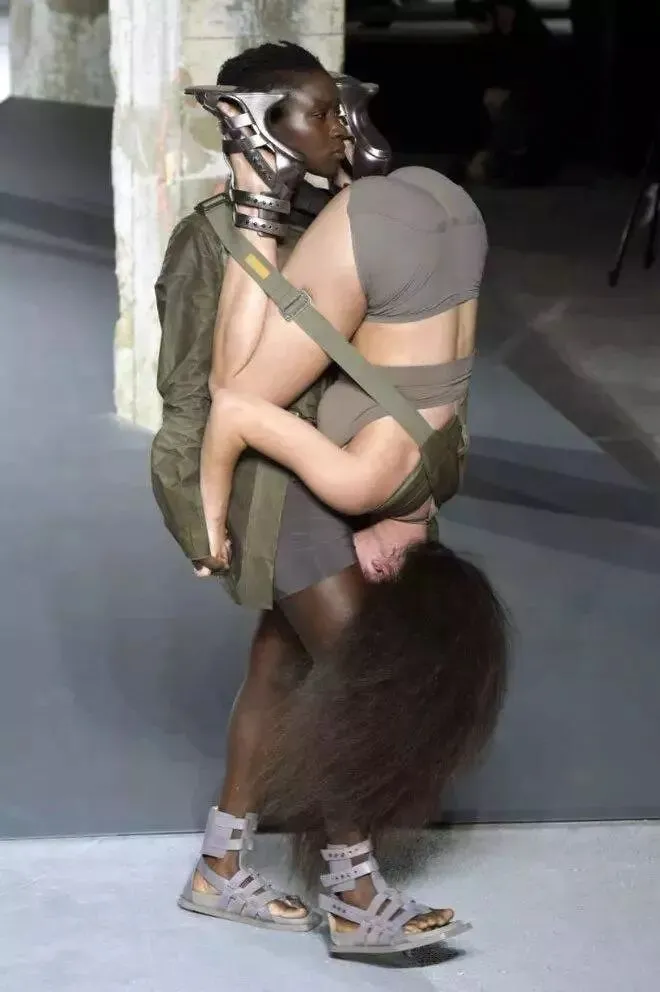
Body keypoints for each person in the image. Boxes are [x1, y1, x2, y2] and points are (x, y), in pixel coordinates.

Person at [151, 41, 509, 958]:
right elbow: (198, 393)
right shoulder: (211, 237)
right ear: (263, 125)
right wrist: (202, 513)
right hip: (278, 485)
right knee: (363, 672)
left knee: (282, 667)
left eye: (340, 105)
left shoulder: (344, 213)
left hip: (340, 475)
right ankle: (351, 896)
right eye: (316, 112)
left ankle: (220, 868)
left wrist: (403, 501)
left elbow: (401, 366)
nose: (339, 127)